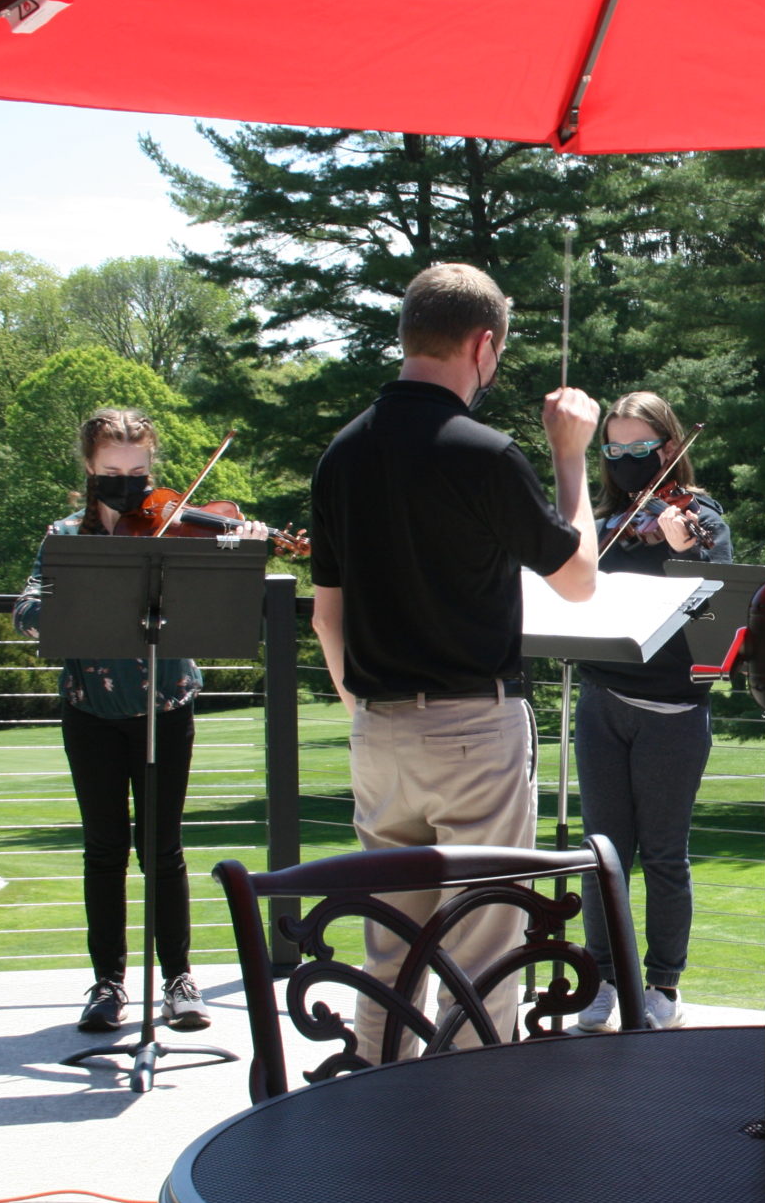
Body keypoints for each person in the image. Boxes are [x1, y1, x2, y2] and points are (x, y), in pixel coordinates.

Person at [310, 262, 602, 1063]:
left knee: (389, 951)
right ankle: (469, 1144)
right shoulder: (485, 453)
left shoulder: (341, 454)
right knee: (481, 954)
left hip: (377, 732)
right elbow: (579, 579)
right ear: (483, 344)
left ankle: (377, 1122)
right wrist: (570, 459)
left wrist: (365, 711)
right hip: (475, 727)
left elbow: (325, 616)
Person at [14, 407, 269, 1033]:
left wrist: (251, 542)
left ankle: (179, 980)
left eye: (137, 470)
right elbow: (26, 606)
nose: (127, 483)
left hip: (166, 705)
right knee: (103, 849)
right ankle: (108, 984)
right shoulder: (65, 535)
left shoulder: (173, 527)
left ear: (151, 467)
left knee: (164, 848)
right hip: (90, 709)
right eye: (111, 471)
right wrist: (57, 608)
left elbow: (230, 563)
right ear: (89, 469)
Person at [568, 391, 733, 1033]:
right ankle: (605, 980)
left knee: (664, 854)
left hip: (672, 707)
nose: (629, 459)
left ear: (669, 448)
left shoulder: (701, 518)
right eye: (616, 448)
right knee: (601, 851)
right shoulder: (602, 521)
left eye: (642, 447)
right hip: (602, 699)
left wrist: (686, 552)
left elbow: (720, 606)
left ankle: (664, 984)